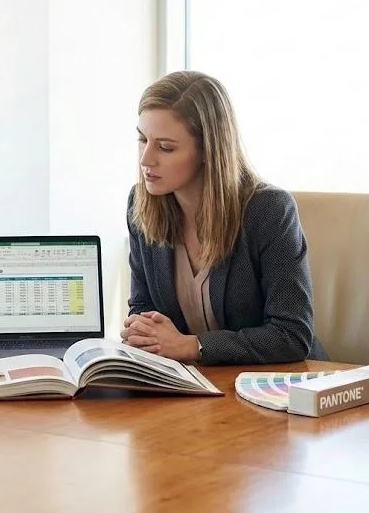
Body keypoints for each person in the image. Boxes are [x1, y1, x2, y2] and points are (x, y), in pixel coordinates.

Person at [121, 71, 329, 365]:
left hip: (277, 387)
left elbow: (291, 334)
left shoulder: (268, 210)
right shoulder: (141, 204)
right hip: (194, 387)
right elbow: (144, 305)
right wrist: (143, 331)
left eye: (165, 147)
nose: (146, 159)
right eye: (143, 140)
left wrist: (193, 346)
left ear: (208, 150)